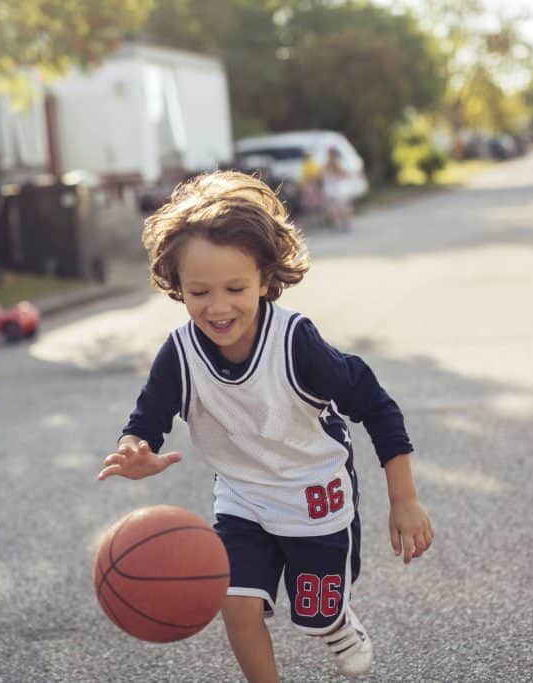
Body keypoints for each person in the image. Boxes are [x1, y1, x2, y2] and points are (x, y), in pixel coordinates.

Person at [97, 171, 433, 682]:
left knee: (314, 613)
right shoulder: (181, 354)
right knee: (237, 604)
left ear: (264, 278)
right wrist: (135, 449)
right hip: (243, 497)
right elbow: (147, 417)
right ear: (177, 286)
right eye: (199, 291)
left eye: (235, 288)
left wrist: (404, 498)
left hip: (314, 493)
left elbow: (376, 405)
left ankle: (336, 623)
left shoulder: (295, 343)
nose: (217, 306)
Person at [322, 147, 354, 231]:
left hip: (337, 190)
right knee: (337, 208)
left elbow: (345, 175)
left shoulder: (334, 164)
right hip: (335, 190)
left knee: (339, 208)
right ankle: (341, 224)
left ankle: (342, 224)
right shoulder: (330, 164)